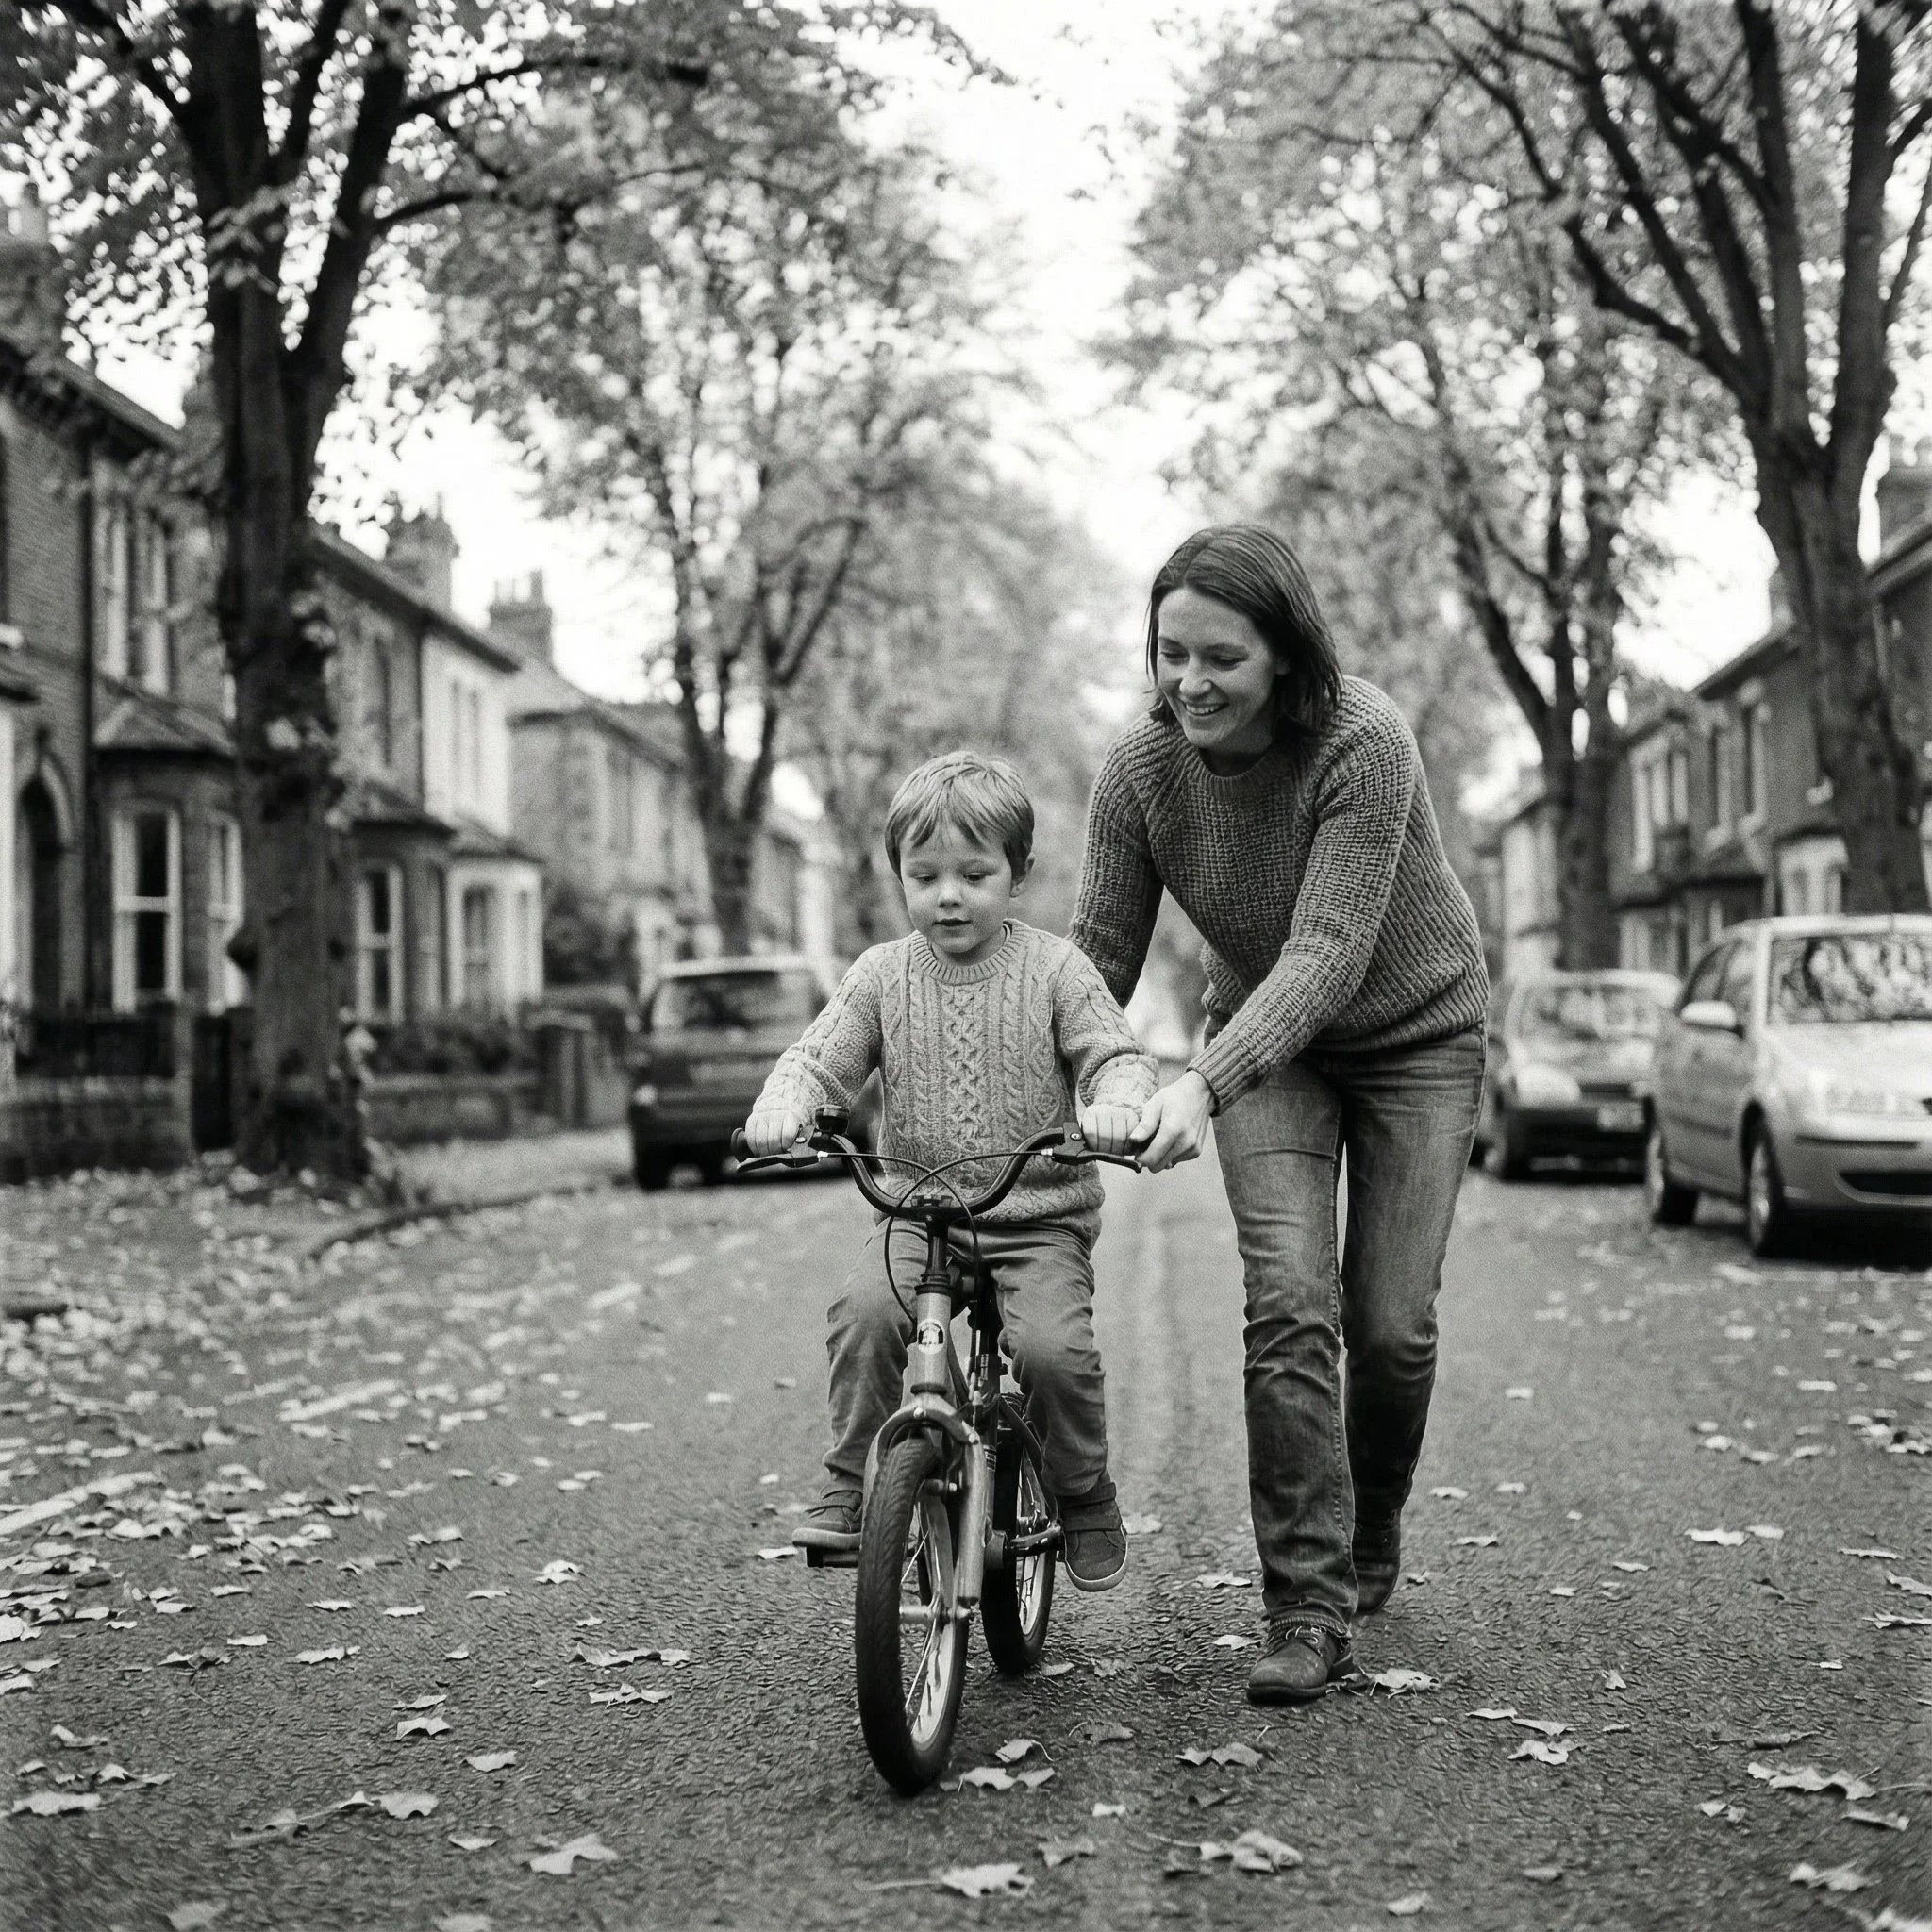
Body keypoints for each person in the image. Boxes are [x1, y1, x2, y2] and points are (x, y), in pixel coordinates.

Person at [1070, 524, 1489, 1703]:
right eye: (1168, 652)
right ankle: (1306, 1606)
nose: (1188, 682)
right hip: (1274, 1054)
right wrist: (1008, 1053)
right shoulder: (1138, 774)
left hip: (1416, 1035)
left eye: (1219, 659)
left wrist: (1199, 1081)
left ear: (1284, 660)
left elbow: (1326, 948)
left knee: (1391, 1324)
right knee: (1289, 1301)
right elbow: (1097, 952)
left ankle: (1374, 1516)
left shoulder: (1361, 738)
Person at [744, 749, 1158, 1590]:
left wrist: (1116, 1102)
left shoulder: (1057, 970)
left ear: (1018, 873)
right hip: (918, 1213)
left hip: (1034, 1214)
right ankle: (850, 1484)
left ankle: (1081, 1492)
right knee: (862, 1315)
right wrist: (782, 1102)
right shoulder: (880, 975)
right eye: (924, 874)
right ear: (897, 874)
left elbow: (1113, 1055)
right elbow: (820, 1059)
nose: (949, 894)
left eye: (974, 873)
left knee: (1051, 1351)